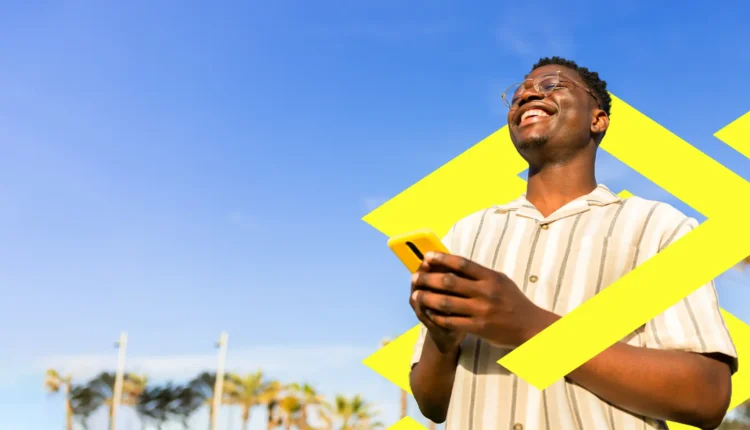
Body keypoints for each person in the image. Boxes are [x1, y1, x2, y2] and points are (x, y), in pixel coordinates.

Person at [408, 56, 738, 430]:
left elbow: (706, 398)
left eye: (551, 86)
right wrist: (443, 339)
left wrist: (529, 326)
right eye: (517, 96)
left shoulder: (658, 228)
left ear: (598, 119)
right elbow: (432, 404)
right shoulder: (465, 235)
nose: (527, 94)